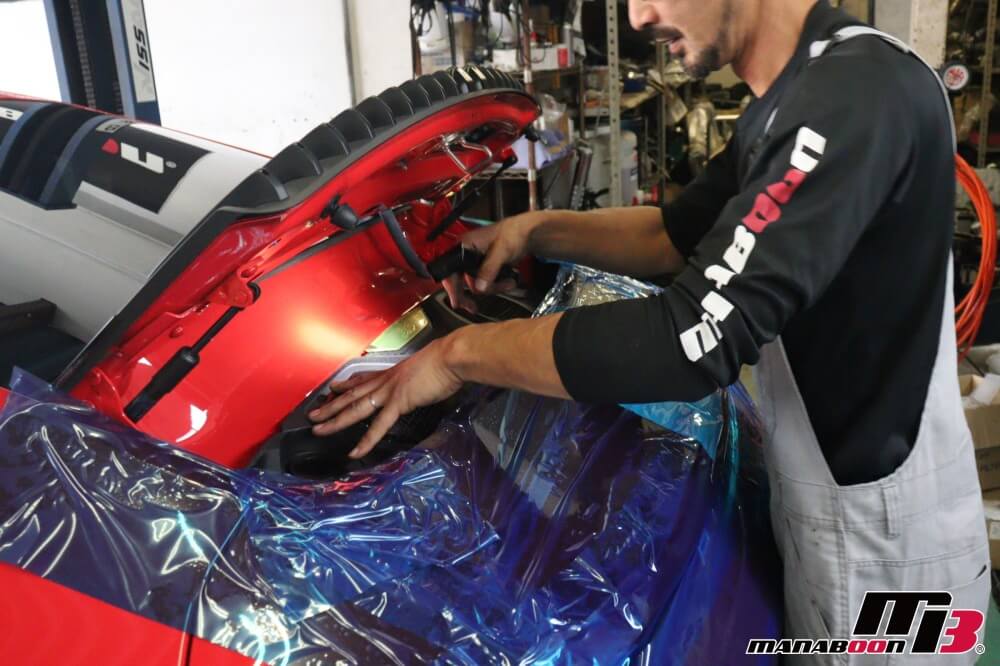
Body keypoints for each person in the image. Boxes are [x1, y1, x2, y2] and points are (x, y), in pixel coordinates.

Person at [310, 0, 990, 659]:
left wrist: (457, 356)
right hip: (841, 502)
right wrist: (534, 231)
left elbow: (691, 340)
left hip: (880, 542)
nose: (636, 17)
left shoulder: (851, 97)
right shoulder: (801, 93)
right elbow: (673, 235)